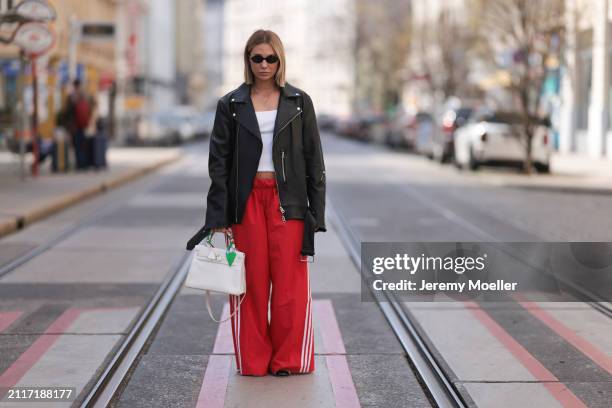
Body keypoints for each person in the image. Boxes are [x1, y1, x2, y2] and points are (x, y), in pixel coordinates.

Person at [186, 29, 326, 377]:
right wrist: (218, 214)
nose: (264, 65)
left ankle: (288, 359)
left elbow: (314, 160)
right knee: (250, 284)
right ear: (248, 60)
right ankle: (253, 360)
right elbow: (218, 163)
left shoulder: (299, 102)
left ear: (280, 60)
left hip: (288, 203)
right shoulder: (231, 104)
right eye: (257, 58)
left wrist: (316, 212)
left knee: (290, 286)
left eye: (271, 58)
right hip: (246, 203)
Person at [63, 79, 96, 170]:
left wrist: (68, 124)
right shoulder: (85, 96)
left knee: (77, 146)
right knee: (83, 145)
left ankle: (79, 164)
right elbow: (92, 106)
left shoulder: (71, 97)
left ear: (74, 85)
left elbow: (67, 112)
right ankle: (84, 164)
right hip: (84, 125)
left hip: (75, 126)